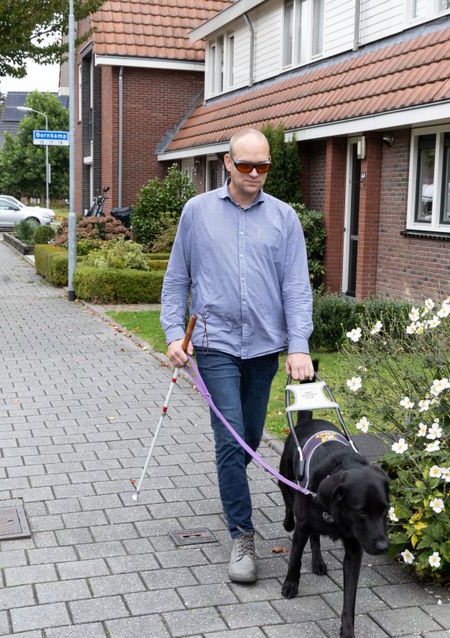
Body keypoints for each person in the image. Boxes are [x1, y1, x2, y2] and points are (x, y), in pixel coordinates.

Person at [160, 127, 314, 584]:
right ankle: (242, 535)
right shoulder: (198, 212)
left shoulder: (284, 219)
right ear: (227, 163)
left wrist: (299, 345)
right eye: (244, 165)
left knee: (247, 435)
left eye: (262, 166)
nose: (253, 174)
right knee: (229, 439)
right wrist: (173, 334)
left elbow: (296, 287)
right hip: (213, 344)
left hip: (265, 346)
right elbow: (176, 279)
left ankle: (231, 484)